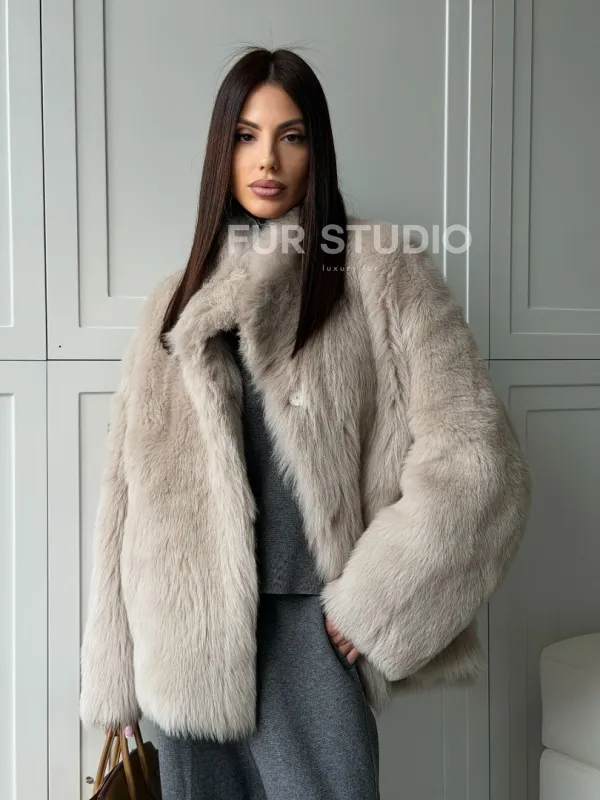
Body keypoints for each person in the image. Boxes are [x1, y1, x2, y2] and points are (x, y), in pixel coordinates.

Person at [80, 46, 532, 799]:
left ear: (316, 149)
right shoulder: (172, 302)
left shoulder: (379, 271)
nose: (267, 159)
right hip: (183, 651)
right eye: (246, 136)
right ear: (221, 152)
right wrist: (116, 675)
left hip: (310, 638)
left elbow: (478, 461)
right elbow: (124, 497)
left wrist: (375, 605)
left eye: (291, 136)